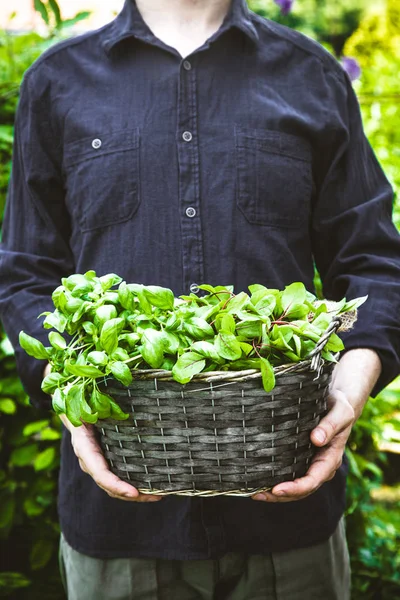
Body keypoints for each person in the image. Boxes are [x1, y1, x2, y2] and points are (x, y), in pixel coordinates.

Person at [1, 0, 400, 598]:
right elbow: (26, 275)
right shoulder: (58, 81)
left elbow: (374, 261)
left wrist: (351, 386)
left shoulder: (310, 74)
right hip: (121, 522)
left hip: (290, 521)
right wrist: (69, 397)